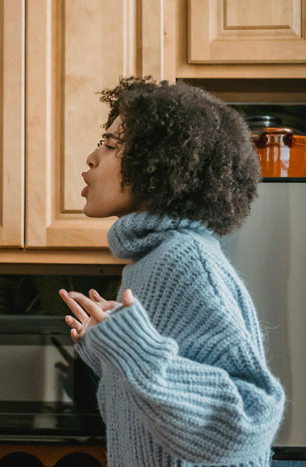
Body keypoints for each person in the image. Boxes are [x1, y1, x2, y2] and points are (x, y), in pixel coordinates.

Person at [59, 77, 285, 466]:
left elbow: (250, 422)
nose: (92, 157)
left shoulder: (183, 258)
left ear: (162, 164)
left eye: (111, 145)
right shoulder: (148, 260)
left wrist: (138, 351)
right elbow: (157, 423)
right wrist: (111, 351)